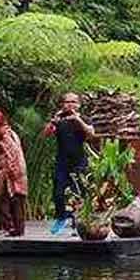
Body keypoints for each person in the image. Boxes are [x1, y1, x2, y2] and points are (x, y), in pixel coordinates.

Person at [41, 92, 97, 235]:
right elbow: (46, 134)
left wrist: (77, 120)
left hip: (79, 160)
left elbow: (91, 134)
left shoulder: (83, 119)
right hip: (62, 161)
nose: (70, 105)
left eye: (73, 102)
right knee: (58, 192)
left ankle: (77, 222)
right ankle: (61, 217)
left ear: (78, 105)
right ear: (63, 104)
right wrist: (54, 120)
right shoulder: (59, 120)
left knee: (78, 192)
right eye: (67, 102)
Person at [0, 110, 28, 237]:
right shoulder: (2, 133)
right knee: (3, 197)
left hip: (10, 170)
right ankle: (8, 227)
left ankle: (12, 227)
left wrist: (13, 172)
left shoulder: (5, 134)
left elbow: (13, 153)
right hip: (6, 169)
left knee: (3, 196)